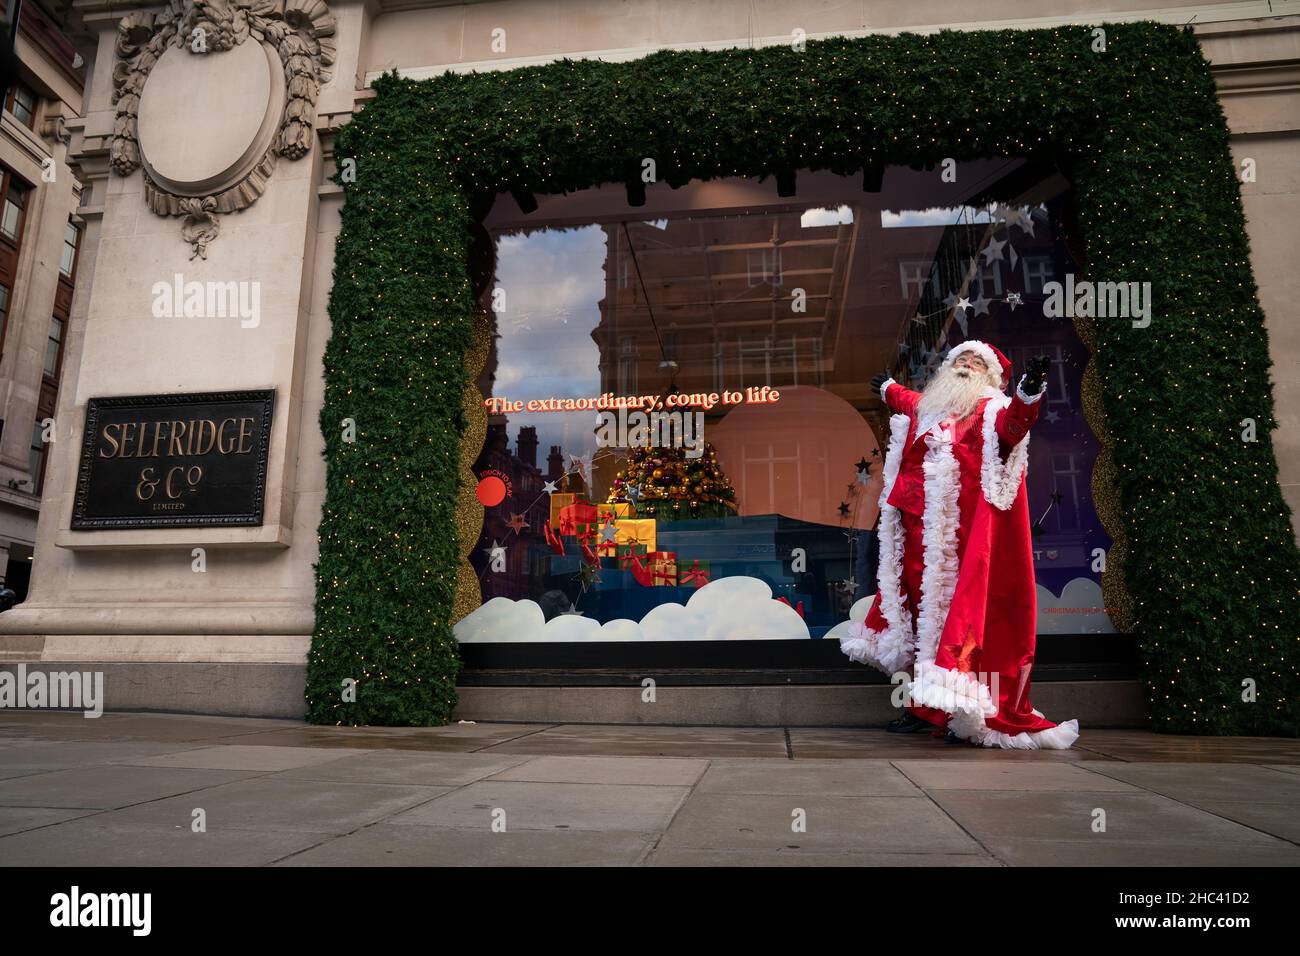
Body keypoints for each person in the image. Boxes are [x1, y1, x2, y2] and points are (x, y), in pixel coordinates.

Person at [842, 341, 1079, 749]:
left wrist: (1029, 389)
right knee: (919, 621)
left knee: (959, 626)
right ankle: (922, 707)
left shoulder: (991, 411)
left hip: (963, 541)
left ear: (991, 377)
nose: (967, 367)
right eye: (962, 360)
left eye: (976, 363)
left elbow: (1016, 425)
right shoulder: (931, 406)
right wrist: (887, 388)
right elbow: (907, 398)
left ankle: (961, 710)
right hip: (916, 535)